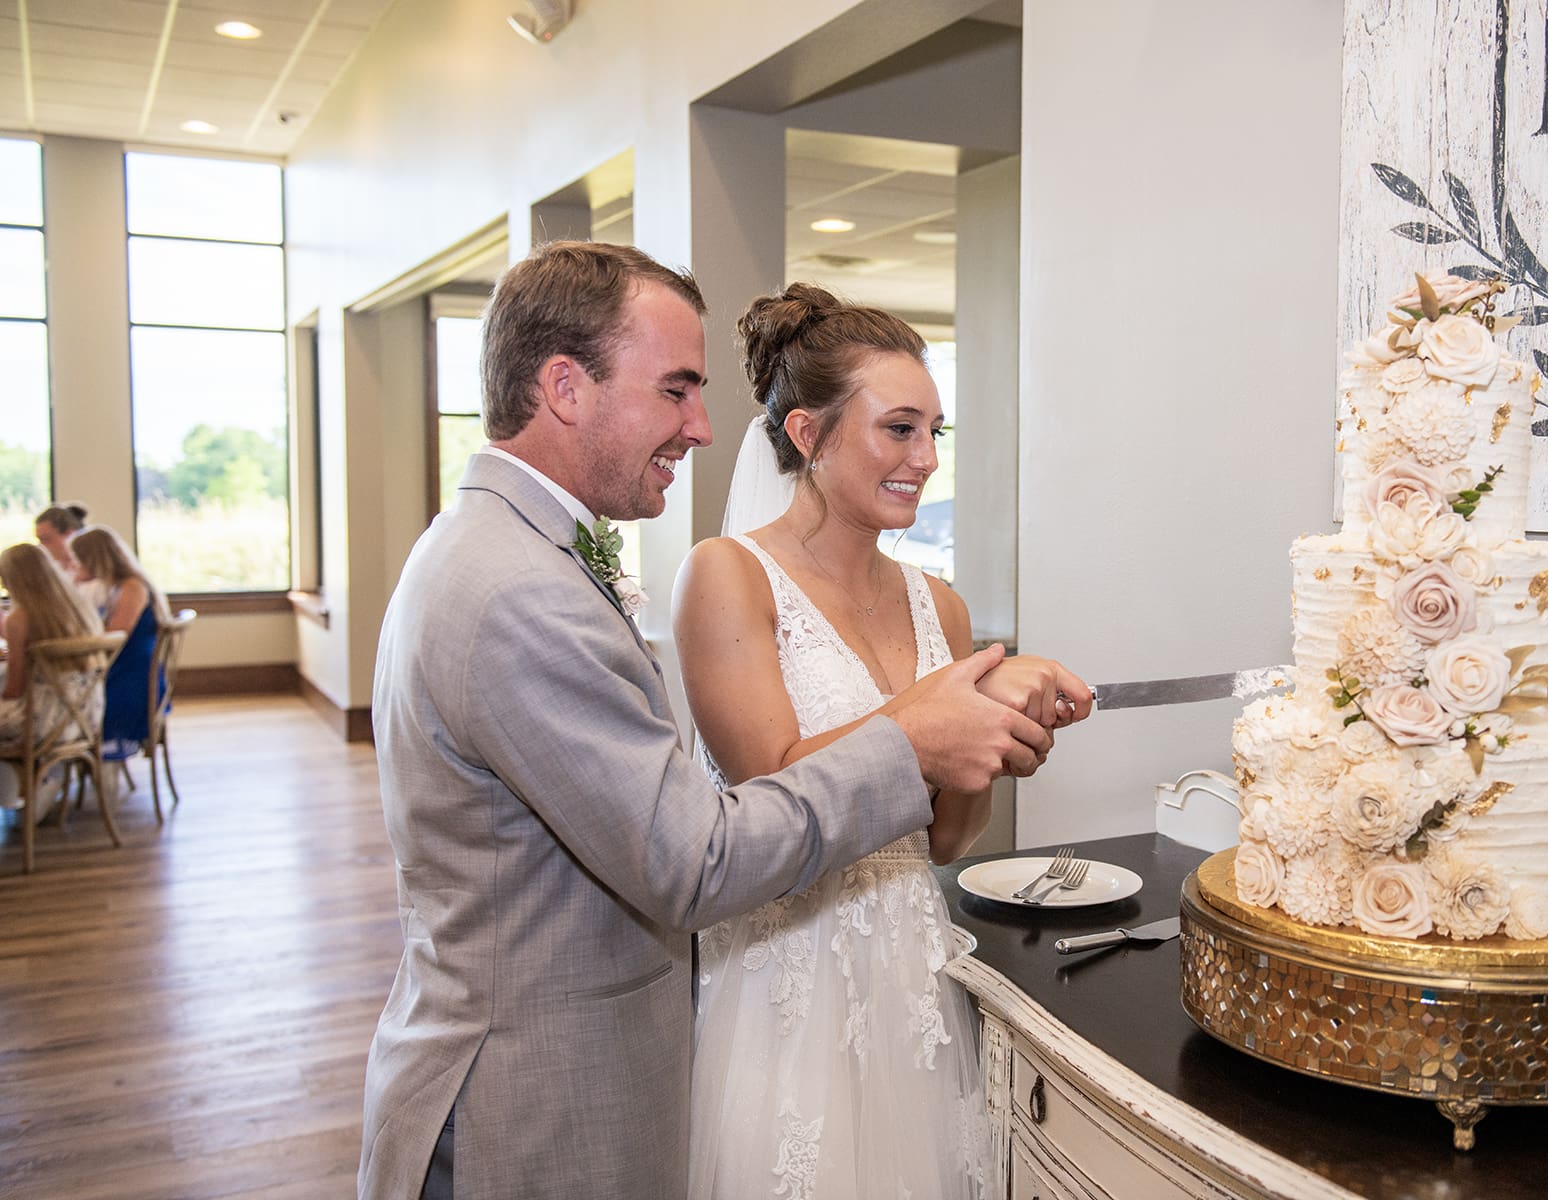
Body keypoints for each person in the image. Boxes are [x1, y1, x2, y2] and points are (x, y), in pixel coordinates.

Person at [357, 241, 1089, 1200]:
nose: (702, 427)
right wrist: (915, 736)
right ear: (566, 387)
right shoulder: (516, 590)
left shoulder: (508, 553)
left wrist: (976, 738)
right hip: (530, 1109)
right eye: (674, 390)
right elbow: (692, 859)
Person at [672, 283, 1060, 1199]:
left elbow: (947, 839)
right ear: (806, 435)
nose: (926, 459)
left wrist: (1005, 732)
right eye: (898, 429)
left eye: (936, 433)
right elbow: (767, 794)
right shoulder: (730, 576)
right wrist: (929, 723)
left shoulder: (943, 604)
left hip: (911, 977)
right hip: (783, 988)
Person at [0, 543, 105, 806]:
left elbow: (14, 689)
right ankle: (33, 785)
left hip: (43, 722)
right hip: (85, 716)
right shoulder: (77, 608)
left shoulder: (20, 618)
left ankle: (13, 788)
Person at [69, 526, 171, 758]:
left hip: (130, 675)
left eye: (78, 561)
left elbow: (116, 636)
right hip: (120, 667)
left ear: (94, 560)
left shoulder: (132, 586)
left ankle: (70, 755)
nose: (75, 567)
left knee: (68, 696)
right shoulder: (115, 586)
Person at [33, 502, 88, 576]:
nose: (40, 546)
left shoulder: (95, 573)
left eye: (46, 540)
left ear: (70, 536)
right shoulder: (46, 573)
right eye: (39, 540)